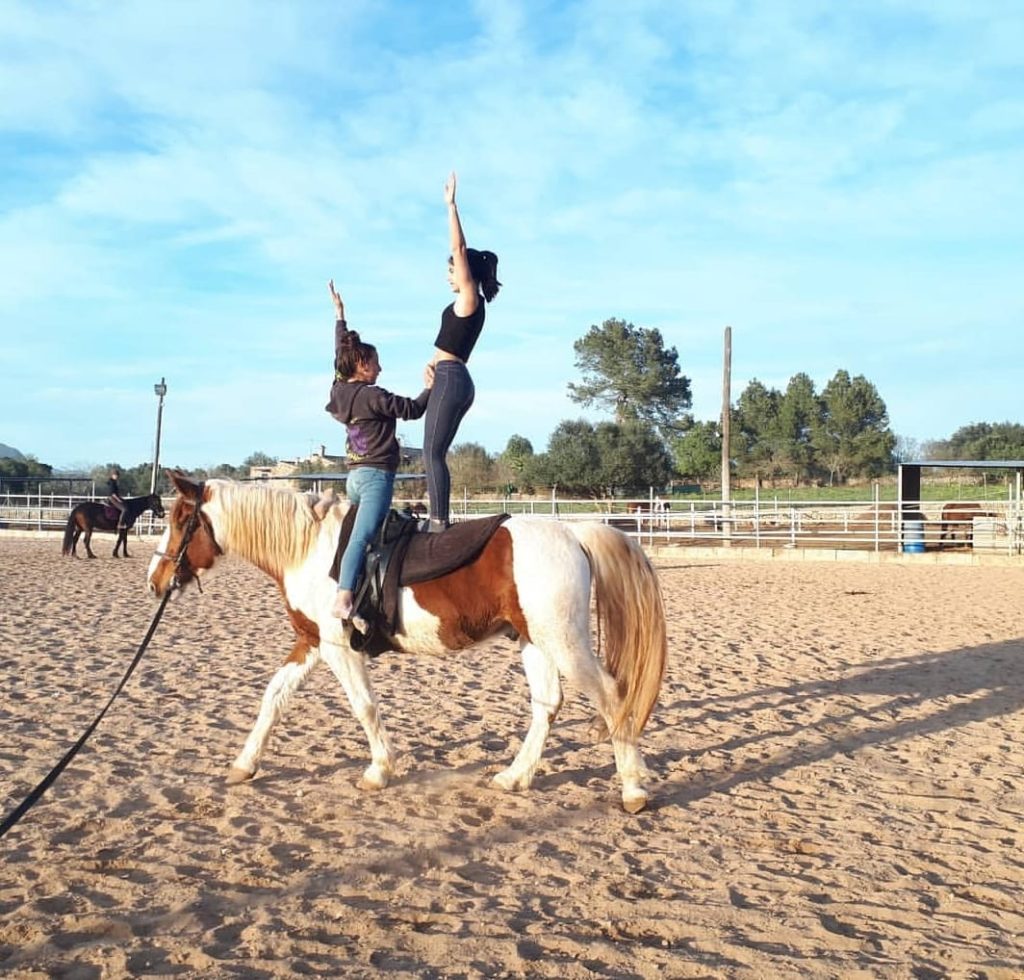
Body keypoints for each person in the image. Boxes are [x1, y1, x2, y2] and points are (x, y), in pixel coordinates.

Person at [325, 280, 434, 621]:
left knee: (360, 537)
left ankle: (354, 585)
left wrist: (340, 317)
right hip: (375, 479)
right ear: (361, 365)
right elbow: (414, 410)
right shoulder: (375, 397)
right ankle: (344, 598)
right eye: (375, 363)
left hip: (354, 476)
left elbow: (339, 355)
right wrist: (429, 388)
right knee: (362, 537)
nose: (380, 368)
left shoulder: (339, 391)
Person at [422, 171, 501, 532]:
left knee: (432, 453)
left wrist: (451, 207)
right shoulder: (463, 303)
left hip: (453, 378)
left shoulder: (471, 299)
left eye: (451, 270)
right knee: (432, 452)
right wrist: (431, 372)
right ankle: (437, 519)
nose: (448, 275)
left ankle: (439, 523)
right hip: (448, 377)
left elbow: (458, 249)